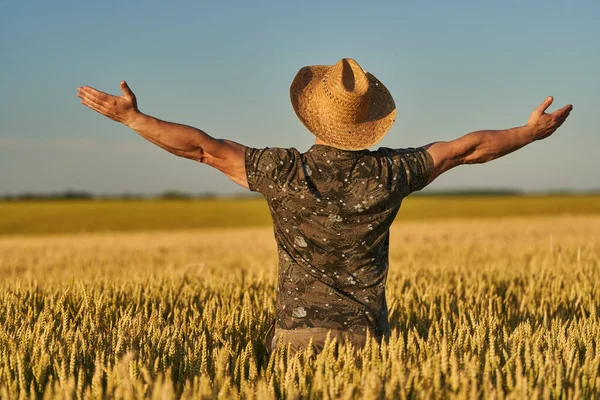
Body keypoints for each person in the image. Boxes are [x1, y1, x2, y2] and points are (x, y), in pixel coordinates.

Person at [77, 58, 572, 357]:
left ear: (311, 113)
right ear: (368, 122)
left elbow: (202, 148)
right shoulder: (391, 173)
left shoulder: (282, 170)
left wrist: (135, 119)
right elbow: (468, 147)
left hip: (295, 339)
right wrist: (530, 132)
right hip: (365, 343)